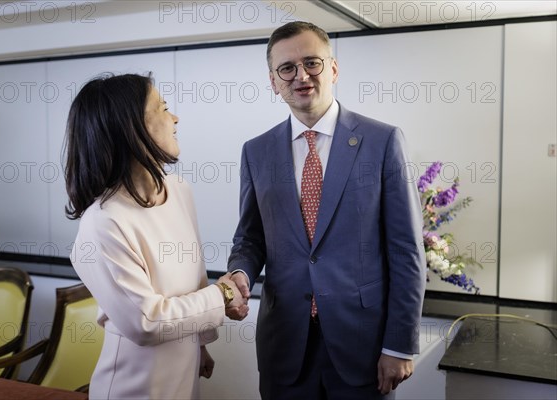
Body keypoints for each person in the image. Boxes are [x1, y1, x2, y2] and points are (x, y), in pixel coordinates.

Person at [226, 21, 426, 399]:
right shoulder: (257, 151)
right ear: (273, 81)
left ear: (333, 69)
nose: (301, 76)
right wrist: (239, 271)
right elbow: (251, 237)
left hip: (363, 346)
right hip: (284, 345)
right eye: (287, 68)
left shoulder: (382, 142)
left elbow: (406, 251)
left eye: (312, 63)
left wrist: (399, 344)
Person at [64, 73, 248, 400]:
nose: (175, 117)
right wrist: (222, 296)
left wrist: (202, 342)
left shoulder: (178, 191)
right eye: (163, 108)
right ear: (131, 128)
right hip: (133, 388)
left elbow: (194, 277)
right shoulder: (103, 222)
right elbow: (146, 322)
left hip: (184, 375)